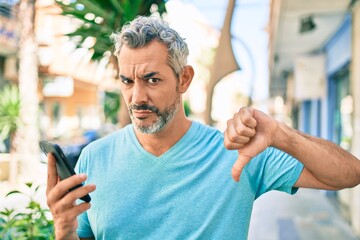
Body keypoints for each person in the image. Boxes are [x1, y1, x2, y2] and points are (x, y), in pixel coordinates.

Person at [46, 15, 360, 240]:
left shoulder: (236, 151)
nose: (137, 97)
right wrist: (64, 230)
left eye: (152, 79)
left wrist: (281, 135)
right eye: (128, 81)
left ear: (184, 79)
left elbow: (348, 174)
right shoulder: (93, 158)